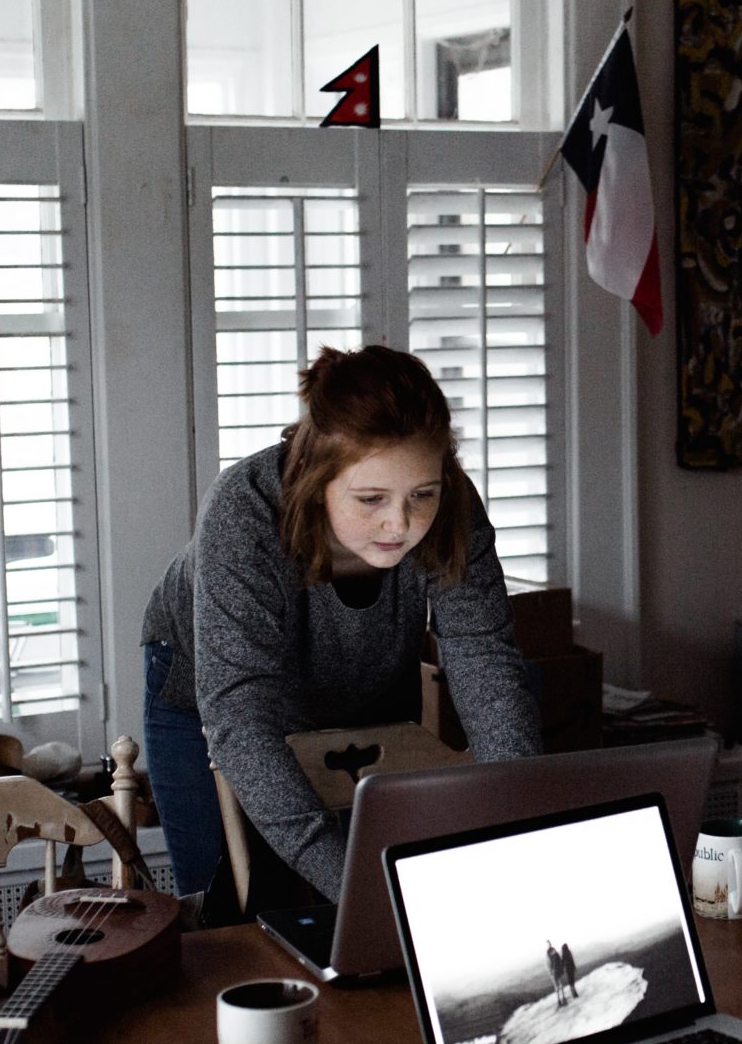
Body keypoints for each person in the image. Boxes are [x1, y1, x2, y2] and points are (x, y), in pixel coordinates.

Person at [140, 346, 541, 904]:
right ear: (312, 476)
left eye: (421, 495)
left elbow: (484, 659)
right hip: (212, 698)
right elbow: (241, 719)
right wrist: (356, 889)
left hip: (364, 682)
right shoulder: (243, 512)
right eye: (371, 498)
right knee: (228, 913)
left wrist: (521, 823)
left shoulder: (452, 507)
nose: (399, 524)